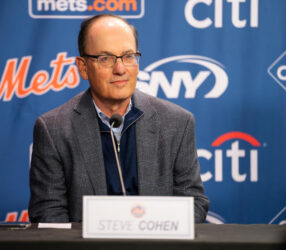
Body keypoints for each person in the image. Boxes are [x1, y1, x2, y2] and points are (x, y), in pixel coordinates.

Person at [29, 14, 209, 223]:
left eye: (128, 56)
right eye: (105, 58)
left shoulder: (178, 123)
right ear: (83, 67)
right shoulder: (53, 130)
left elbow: (194, 203)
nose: (120, 69)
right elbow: (49, 214)